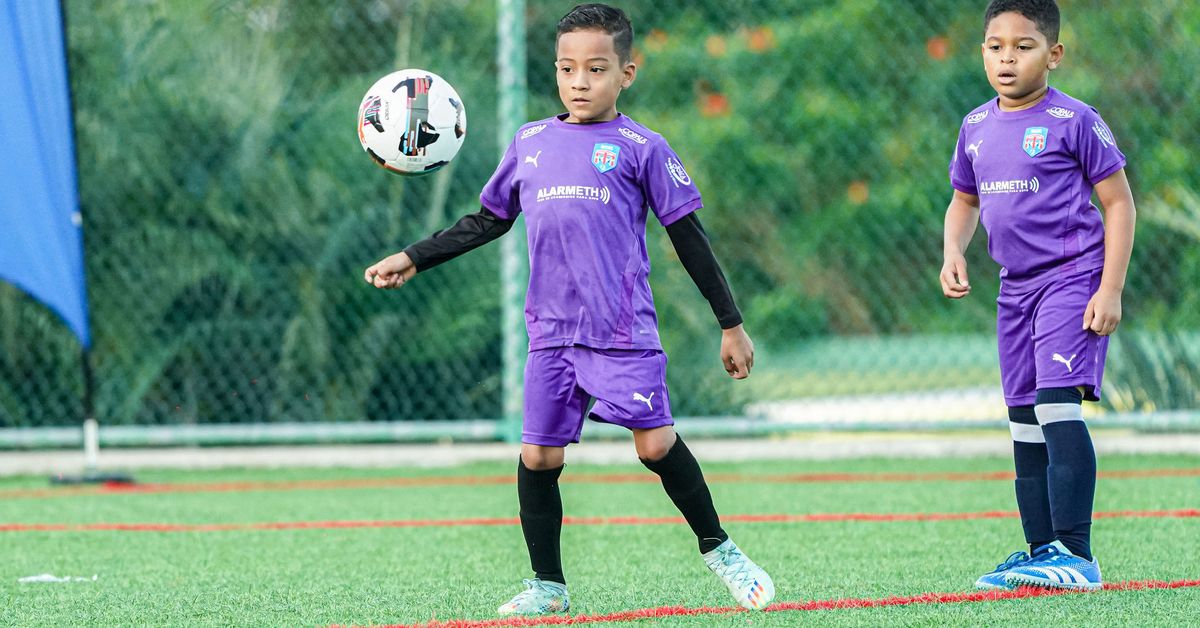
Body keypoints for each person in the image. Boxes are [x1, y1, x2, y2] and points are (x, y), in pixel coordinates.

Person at [364, 3, 774, 616]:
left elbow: (690, 239)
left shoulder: (643, 147)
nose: (580, 82)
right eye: (567, 68)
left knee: (655, 445)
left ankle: (722, 551)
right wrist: (414, 257)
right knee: (538, 456)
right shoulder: (531, 142)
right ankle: (547, 586)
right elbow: (488, 220)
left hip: (620, 329)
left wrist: (730, 324)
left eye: (596, 69)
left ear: (626, 73)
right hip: (551, 334)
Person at [940, 0, 1136, 592]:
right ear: (982, 52)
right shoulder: (974, 126)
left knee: (1055, 406)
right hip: (1013, 289)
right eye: (995, 46)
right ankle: (1041, 551)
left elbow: (1119, 203)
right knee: (1024, 418)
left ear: (1053, 55)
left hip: (1072, 278)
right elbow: (964, 201)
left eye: (1023, 46)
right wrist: (953, 250)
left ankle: (1077, 555)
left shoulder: (1074, 120)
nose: (1007, 57)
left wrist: (1110, 288)